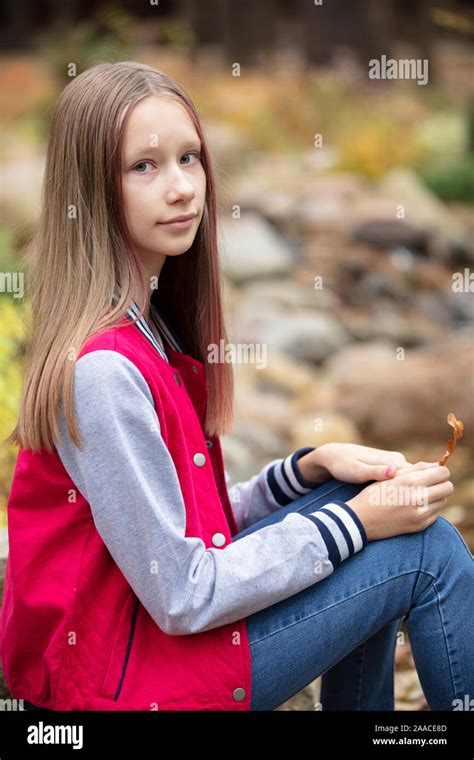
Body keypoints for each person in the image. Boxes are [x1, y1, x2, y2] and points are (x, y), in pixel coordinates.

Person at [1, 61, 472, 712]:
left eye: (189, 158)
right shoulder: (104, 371)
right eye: (144, 166)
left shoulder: (147, 334)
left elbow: (185, 527)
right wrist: (356, 524)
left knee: (360, 502)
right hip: (128, 685)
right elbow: (184, 591)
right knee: (426, 553)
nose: (181, 188)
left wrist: (307, 471)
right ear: (92, 188)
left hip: (144, 651)